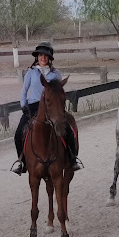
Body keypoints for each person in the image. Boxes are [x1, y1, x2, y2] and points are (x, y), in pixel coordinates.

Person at [12, 42, 82, 175]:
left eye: (46, 56)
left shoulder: (56, 74)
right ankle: (22, 162)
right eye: (41, 55)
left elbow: (59, 92)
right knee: (18, 133)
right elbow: (24, 91)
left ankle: (72, 159)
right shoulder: (30, 73)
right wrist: (23, 106)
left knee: (67, 129)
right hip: (33, 106)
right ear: (37, 57)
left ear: (49, 58)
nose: (43, 58)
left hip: (52, 106)